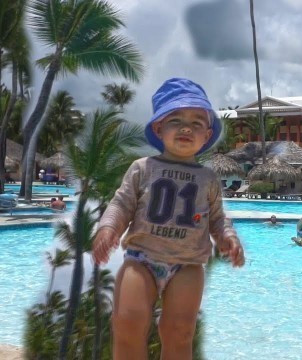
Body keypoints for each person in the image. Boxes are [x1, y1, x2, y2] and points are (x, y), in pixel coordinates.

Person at [91, 78, 245, 359]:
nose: (187, 128)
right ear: (159, 128)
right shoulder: (142, 168)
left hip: (187, 265)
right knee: (127, 323)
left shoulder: (208, 178)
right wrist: (108, 228)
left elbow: (218, 219)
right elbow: (121, 204)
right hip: (141, 259)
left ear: (207, 134)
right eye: (176, 120)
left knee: (180, 332)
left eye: (197, 123)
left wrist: (228, 237)